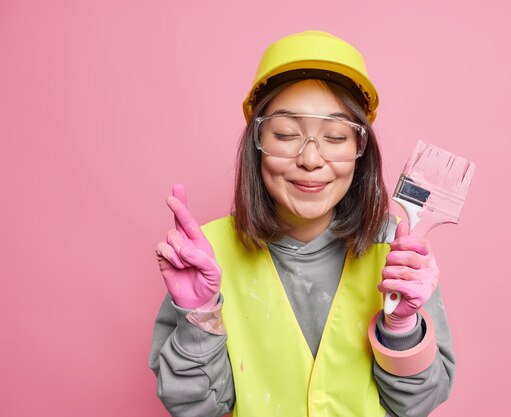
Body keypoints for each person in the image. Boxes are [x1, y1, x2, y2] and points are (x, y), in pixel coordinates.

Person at [149, 30, 456, 417]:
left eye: (335, 136)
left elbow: (419, 404)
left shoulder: (398, 248)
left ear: (360, 152)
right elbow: (197, 408)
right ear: (256, 145)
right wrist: (200, 315)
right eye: (286, 134)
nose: (311, 159)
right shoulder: (205, 255)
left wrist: (401, 325)